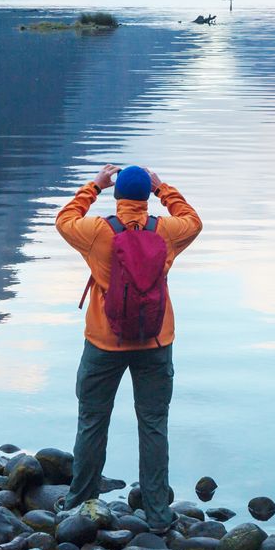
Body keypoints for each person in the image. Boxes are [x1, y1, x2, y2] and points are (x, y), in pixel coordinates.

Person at [55, 164, 202, 531]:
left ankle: (79, 502)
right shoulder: (165, 231)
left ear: (118, 196)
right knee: (153, 425)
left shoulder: (96, 232)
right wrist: (164, 188)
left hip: (104, 344)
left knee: (93, 420)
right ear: (146, 196)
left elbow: (64, 219)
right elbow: (193, 220)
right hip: (155, 342)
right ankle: (157, 515)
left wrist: (95, 186)